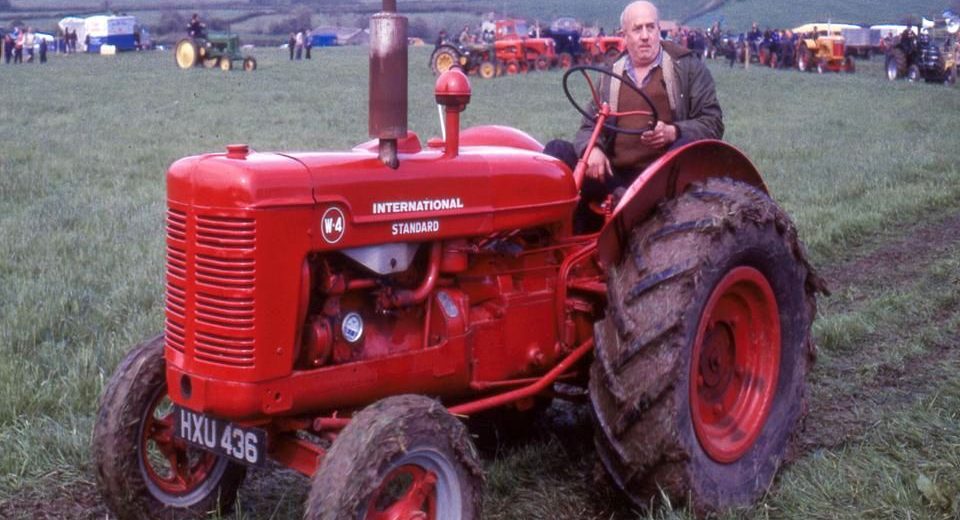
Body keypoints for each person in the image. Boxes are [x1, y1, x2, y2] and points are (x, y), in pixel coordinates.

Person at [544, 1, 723, 232]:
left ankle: (642, 210)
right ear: (624, 35)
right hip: (616, 178)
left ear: (660, 30)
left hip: (662, 178)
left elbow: (713, 122)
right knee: (556, 151)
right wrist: (593, 148)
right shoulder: (610, 74)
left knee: (686, 144)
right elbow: (589, 125)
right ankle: (554, 238)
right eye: (637, 29)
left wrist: (673, 131)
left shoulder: (687, 68)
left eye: (651, 27)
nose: (645, 36)